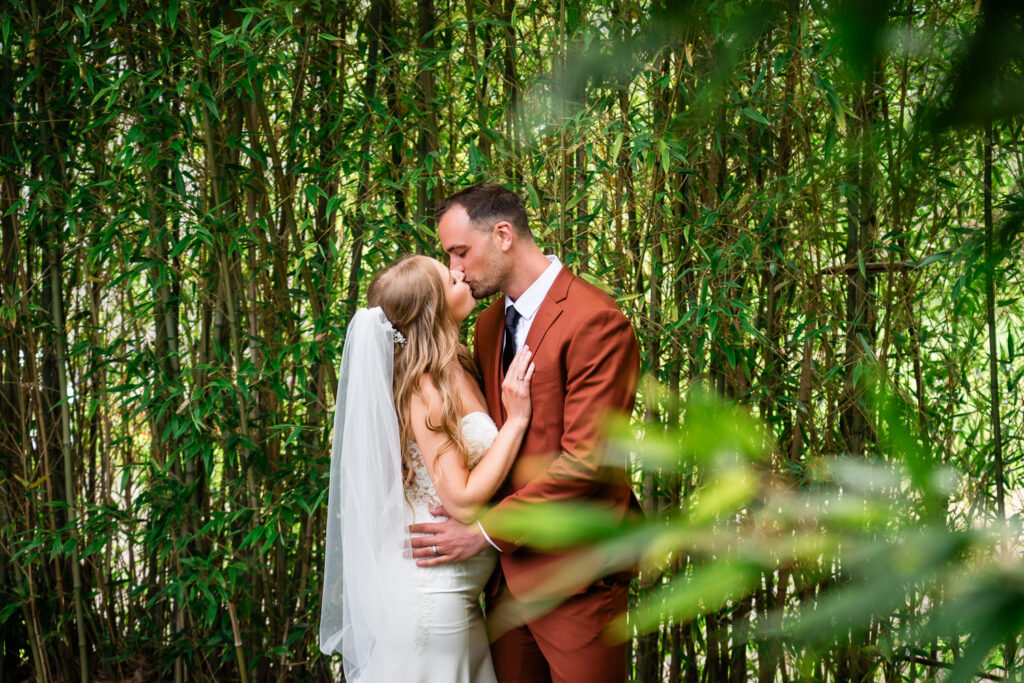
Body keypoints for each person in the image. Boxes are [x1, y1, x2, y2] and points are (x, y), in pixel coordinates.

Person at [409, 183, 641, 682]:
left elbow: (588, 463)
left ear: (503, 234)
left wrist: (484, 533)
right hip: (502, 589)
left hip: (577, 578)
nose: (455, 271)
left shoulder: (596, 322)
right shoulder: (489, 325)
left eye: (461, 252)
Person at [319, 254, 537, 682]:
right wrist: (518, 422)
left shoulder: (459, 363)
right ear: (432, 308)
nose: (460, 272)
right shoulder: (426, 387)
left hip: (458, 594)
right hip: (433, 596)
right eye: (448, 276)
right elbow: (462, 500)